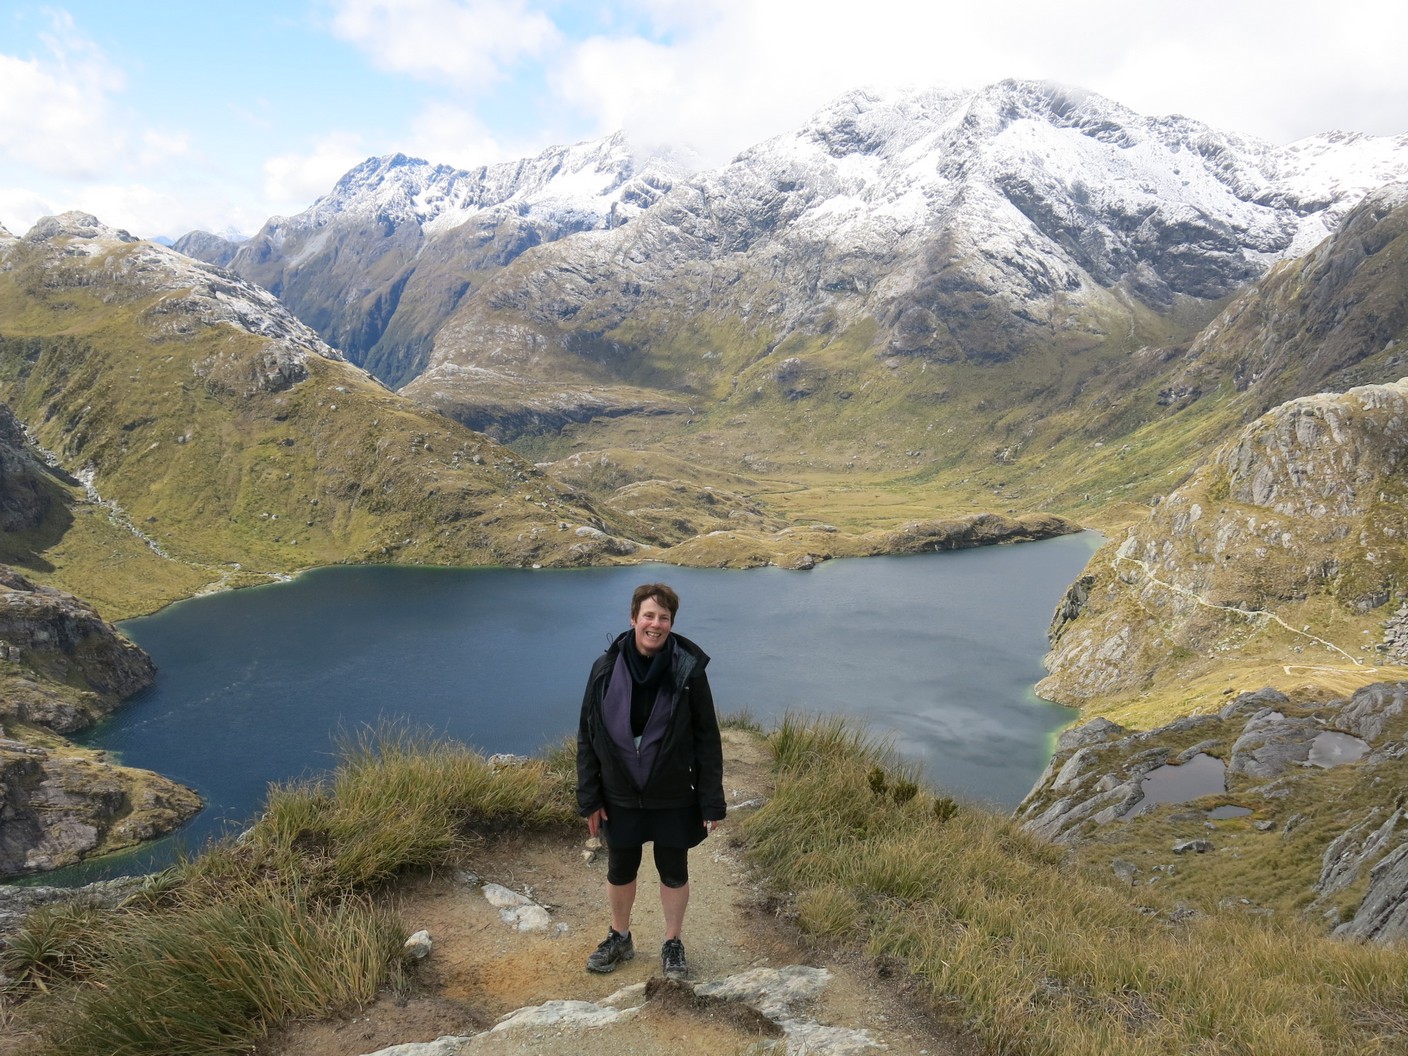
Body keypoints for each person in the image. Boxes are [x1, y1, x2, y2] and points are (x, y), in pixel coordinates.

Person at [576, 582, 726, 979]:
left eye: (664, 617)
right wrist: (590, 797)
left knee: (673, 869)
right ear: (633, 619)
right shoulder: (605, 669)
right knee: (620, 867)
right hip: (619, 791)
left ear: (671, 623)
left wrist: (711, 800)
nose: (655, 624)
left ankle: (673, 942)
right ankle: (619, 936)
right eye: (648, 615)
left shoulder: (688, 671)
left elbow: (707, 738)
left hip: (673, 792)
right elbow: (587, 734)